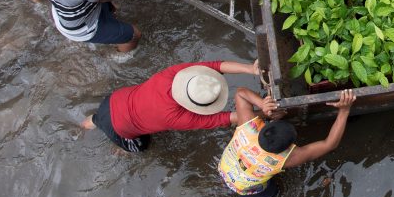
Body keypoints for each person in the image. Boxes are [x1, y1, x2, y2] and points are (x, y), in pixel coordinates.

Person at [81, 60, 267, 152]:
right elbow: (222, 118)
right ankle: (119, 148)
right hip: (118, 127)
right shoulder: (175, 117)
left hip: (113, 100)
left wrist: (250, 69)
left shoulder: (174, 75)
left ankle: (87, 124)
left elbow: (216, 65)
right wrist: (266, 113)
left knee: (98, 119)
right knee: (142, 147)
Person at [219, 89, 356, 197]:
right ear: (288, 148)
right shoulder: (285, 158)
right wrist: (344, 111)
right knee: (270, 194)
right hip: (245, 187)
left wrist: (263, 106)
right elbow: (330, 144)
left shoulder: (248, 126)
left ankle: (231, 187)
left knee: (239, 179)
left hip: (225, 168)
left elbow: (240, 93)